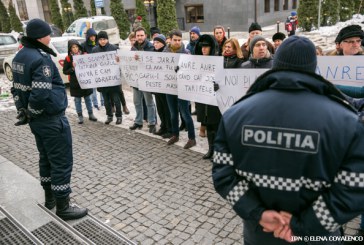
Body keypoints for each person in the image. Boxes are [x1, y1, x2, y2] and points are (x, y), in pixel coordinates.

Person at [212, 35, 364, 244]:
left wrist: (258, 213)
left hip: (260, 234)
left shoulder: (235, 113)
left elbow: (223, 175)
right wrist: (304, 226)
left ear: (277, 64)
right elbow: (355, 186)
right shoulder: (346, 120)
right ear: (313, 67)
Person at [11, 19, 88, 220]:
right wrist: (33, 112)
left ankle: (50, 198)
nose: (50, 37)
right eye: (48, 34)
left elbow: (16, 89)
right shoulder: (40, 58)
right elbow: (40, 93)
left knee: (46, 158)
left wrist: (24, 112)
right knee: (61, 162)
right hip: (51, 120)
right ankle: (63, 206)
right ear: (40, 36)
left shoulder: (20, 56)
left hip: (38, 123)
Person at [163, 29, 196, 149]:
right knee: (173, 113)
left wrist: (182, 70)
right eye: (175, 40)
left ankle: (192, 138)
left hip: (183, 89)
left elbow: (192, 71)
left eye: (179, 40)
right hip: (170, 88)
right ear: (170, 40)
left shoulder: (186, 53)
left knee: (185, 113)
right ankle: (175, 134)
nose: (177, 42)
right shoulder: (164, 52)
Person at [194, 34, 221, 159]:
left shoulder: (218, 61)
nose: (204, 49)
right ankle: (211, 149)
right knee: (208, 125)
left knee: (216, 125)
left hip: (214, 99)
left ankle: (217, 151)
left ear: (212, 47)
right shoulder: (196, 61)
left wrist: (218, 85)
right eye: (202, 47)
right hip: (202, 98)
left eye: (206, 47)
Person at [63, 39, 97, 124]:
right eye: (73, 47)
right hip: (75, 83)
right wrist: (72, 68)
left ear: (79, 47)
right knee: (77, 100)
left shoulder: (84, 55)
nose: (75, 49)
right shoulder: (68, 58)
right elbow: (65, 71)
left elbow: (90, 66)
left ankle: (91, 114)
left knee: (88, 99)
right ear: (70, 49)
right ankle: (80, 116)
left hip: (85, 81)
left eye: (76, 47)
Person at [130, 27, 157, 133]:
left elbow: (152, 61)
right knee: (137, 102)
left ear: (145, 36)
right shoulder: (133, 47)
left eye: (141, 35)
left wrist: (140, 58)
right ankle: (138, 121)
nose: (140, 37)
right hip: (136, 79)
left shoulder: (150, 46)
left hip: (146, 79)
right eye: (138, 36)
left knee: (149, 102)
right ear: (135, 36)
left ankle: (152, 122)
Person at [92, 31, 123, 125]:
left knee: (116, 100)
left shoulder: (114, 48)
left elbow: (121, 62)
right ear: (98, 40)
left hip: (114, 80)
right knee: (106, 100)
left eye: (104, 39)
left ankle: (119, 116)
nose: (102, 41)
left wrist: (119, 60)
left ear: (107, 39)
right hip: (102, 81)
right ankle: (109, 116)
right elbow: (92, 64)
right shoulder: (95, 50)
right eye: (100, 39)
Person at [335, 25, 364, 98]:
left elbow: (361, 92)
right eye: (351, 41)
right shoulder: (329, 63)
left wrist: (330, 86)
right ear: (341, 45)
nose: (356, 45)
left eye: (358, 41)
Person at [152, 34, 172, 139]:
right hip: (157, 87)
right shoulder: (153, 53)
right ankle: (163, 126)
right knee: (160, 108)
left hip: (165, 87)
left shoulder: (166, 53)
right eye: (154, 42)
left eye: (158, 42)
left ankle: (170, 128)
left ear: (163, 43)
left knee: (166, 108)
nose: (155, 44)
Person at [81, 28, 102, 110]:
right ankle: (95, 104)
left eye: (94, 36)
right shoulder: (84, 45)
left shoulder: (98, 43)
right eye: (91, 36)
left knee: (101, 86)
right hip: (90, 70)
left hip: (99, 68)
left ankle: (103, 103)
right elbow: (81, 56)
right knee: (93, 88)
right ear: (88, 37)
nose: (93, 38)